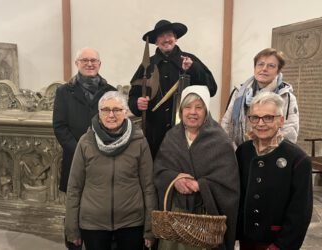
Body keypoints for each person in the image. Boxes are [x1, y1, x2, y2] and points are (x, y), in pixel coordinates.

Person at [65, 91, 157, 250]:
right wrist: (72, 229)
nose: (111, 115)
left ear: (126, 112)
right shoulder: (86, 141)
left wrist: (150, 228)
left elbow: (148, 187)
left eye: (117, 109)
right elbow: (74, 187)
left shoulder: (139, 141)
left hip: (131, 222)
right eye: (106, 110)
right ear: (99, 113)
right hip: (93, 224)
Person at [154, 85, 239, 250]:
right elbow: (159, 170)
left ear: (206, 111)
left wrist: (202, 185)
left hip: (205, 219)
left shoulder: (220, 140)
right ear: (181, 110)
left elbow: (229, 182)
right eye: (188, 107)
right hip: (175, 217)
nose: (193, 112)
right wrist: (175, 179)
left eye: (199, 107)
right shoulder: (172, 137)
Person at [129, 19, 218, 159]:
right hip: (154, 135)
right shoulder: (147, 65)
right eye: (161, 36)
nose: (166, 39)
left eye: (169, 35)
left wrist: (194, 69)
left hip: (186, 132)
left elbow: (212, 89)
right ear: (156, 42)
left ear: (175, 38)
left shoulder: (190, 60)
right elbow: (133, 96)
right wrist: (137, 103)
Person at [235, 92, 312, 250]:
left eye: (268, 117)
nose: (260, 123)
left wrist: (281, 245)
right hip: (247, 238)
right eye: (255, 117)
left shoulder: (298, 159)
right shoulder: (243, 151)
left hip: (275, 241)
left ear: (281, 120)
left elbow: (300, 212)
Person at [53, 47, 116, 193]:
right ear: (77, 63)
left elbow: (117, 122)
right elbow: (59, 126)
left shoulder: (110, 91)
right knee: (75, 198)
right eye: (85, 60)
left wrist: (105, 148)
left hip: (104, 156)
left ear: (100, 64)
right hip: (75, 156)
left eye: (93, 60)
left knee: (103, 196)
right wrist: (78, 151)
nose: (89, 64)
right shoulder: (64, 91)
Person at [220, 48, 299, 148]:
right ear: (255, 68)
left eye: (271, 66)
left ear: (278, 71)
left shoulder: (286, 96)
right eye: (260, 64)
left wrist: (265, 151)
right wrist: (233, 151)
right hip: (239, 153)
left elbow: (290, 132)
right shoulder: (239, 93)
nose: (264, 69)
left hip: (271, 155)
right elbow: (226, 125)